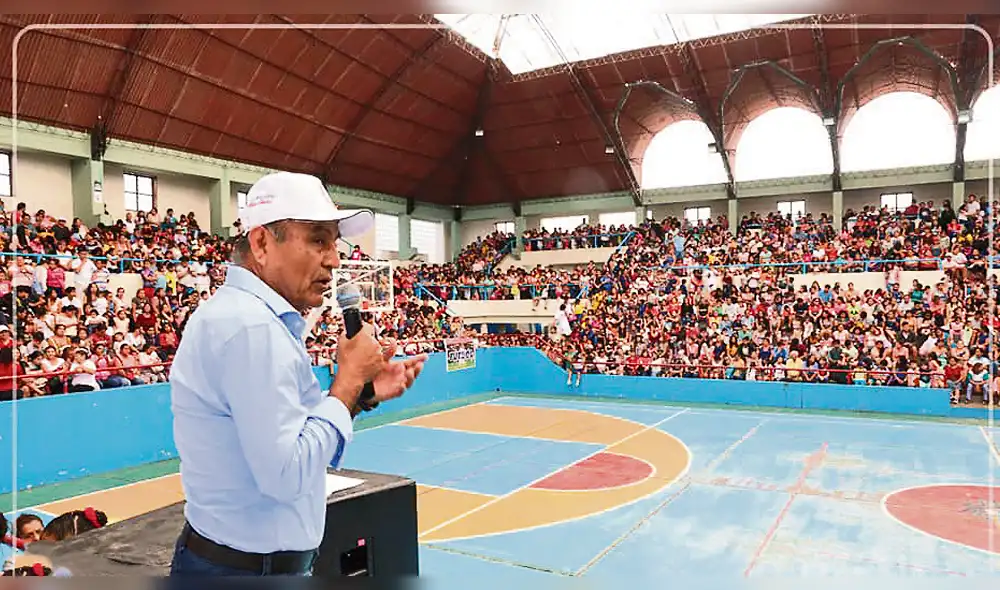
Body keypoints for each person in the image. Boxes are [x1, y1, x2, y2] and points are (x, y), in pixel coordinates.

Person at [168, 172, 427, 577]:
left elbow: (287, 436)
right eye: (318, 240)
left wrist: (359, 393)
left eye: (335, 243)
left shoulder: (246, 318)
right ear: (261, 243)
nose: (335, 259)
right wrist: (346, 383)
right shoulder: (250, 328)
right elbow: (286, 475)